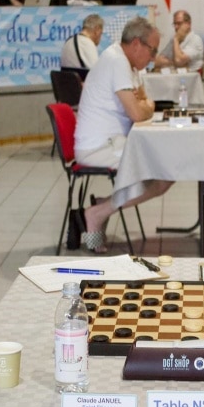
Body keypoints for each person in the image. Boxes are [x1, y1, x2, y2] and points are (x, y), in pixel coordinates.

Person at [75, 17, 173, 253]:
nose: (153, 57)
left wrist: (146, 105)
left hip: (113, 143)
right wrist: (147, 106)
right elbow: (139, 113)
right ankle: (96, 213)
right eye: (152, 50)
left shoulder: (129, 65)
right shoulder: (117, 60)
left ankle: (103, 205)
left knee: (168, 168)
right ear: (137, 44)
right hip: (99, 147)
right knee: (165, 170)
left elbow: (145, 101)